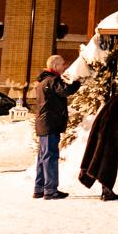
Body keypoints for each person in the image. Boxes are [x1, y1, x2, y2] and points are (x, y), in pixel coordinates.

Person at [33, 54, 74, 199]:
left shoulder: (43, 81)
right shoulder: (52, 80)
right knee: (50, 156)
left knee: (43, 157)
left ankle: (39, 188)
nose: (64, 67)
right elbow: (65, 90)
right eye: (62, 64)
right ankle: (50, 190)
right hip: (50, 124)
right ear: (55, 66)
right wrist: (77, 81)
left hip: (44, 123)